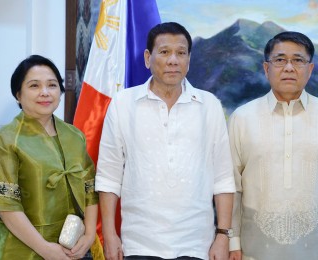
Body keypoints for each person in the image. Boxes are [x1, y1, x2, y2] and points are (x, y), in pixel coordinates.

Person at [95, 22, 236, 260]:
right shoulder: (122, 104)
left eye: (181, 53)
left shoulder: (209, 105)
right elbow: (109, 177)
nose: (173, 60)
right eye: (164, 52)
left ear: (189, 60)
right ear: (148, 58)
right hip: (138, 244)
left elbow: (222, 179)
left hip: (196, 245)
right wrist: (110, 235)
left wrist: (223, 235)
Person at [228, 31, 318, 260]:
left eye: (298, 60)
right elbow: (232, 186)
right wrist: (233, 242)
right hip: (252, 251)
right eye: (280, 60)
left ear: (310, 69)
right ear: (266, 69)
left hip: (316, 251)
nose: (289, 67)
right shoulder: (242, 118)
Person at [0, 55, 99, 259]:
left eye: (52, 85)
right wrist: (45, 249)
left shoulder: (74, 135)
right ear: (18, 94)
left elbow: (89, 189)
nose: (45, 92)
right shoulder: (6, 140)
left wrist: (88, 235)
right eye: (34, 86)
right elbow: (4, 205)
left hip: (73, 245)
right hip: (23, 248)